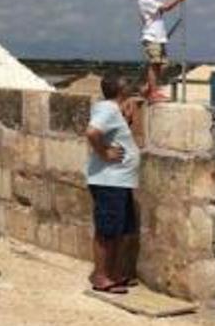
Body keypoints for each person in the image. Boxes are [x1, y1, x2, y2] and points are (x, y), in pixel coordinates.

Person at [84, 74, 141, 294]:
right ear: (118, 90)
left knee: (119, 230)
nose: (130, 84)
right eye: (126, 82)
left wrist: (125, 119)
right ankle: (100, 277)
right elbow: (92, 132)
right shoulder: (107, 109)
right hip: (109, 181)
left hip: (119, 181)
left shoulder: (112, 109)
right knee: (107, 231)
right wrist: (105, 152)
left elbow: (112, 132)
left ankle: (113, 274)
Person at [134, 0, 186, 101]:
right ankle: (152, 92)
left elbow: (162, 9)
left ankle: (148, 88)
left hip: (158, 38)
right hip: (152, 38)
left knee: (163, 65)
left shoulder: (148, 1)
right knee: (155, 64)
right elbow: (167, 7)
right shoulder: (145, 1)